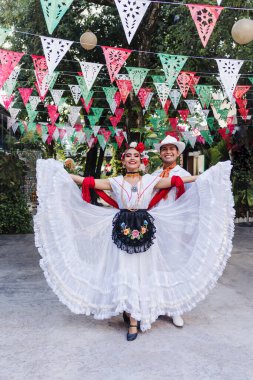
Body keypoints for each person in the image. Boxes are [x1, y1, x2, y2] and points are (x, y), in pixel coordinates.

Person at [34, 142, 234, 341]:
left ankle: (142, 313)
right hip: (121, 231)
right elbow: (87, 182)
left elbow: (179, 181)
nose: (132, 158)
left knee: (144, 273)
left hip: (146, 231)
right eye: (128, 155)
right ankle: (131, 319)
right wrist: (58, 174)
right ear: (123, 160)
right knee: (126, 271)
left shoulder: (150, 180)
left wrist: (210, 175)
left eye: (136, 156)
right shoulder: (115, 181)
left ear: (141, 161)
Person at [151, 135, 192, 328]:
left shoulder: (184, 174)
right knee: (155, 264)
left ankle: (176, 308)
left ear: (177, 152)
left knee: (174, 264)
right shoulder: (154, 175)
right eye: (164, 149)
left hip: (175, 226)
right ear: (160, 153)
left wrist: (188, 226)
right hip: (155, 226)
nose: (168, 152)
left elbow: (193, 201)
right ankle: (158, 304)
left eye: (172, 149)